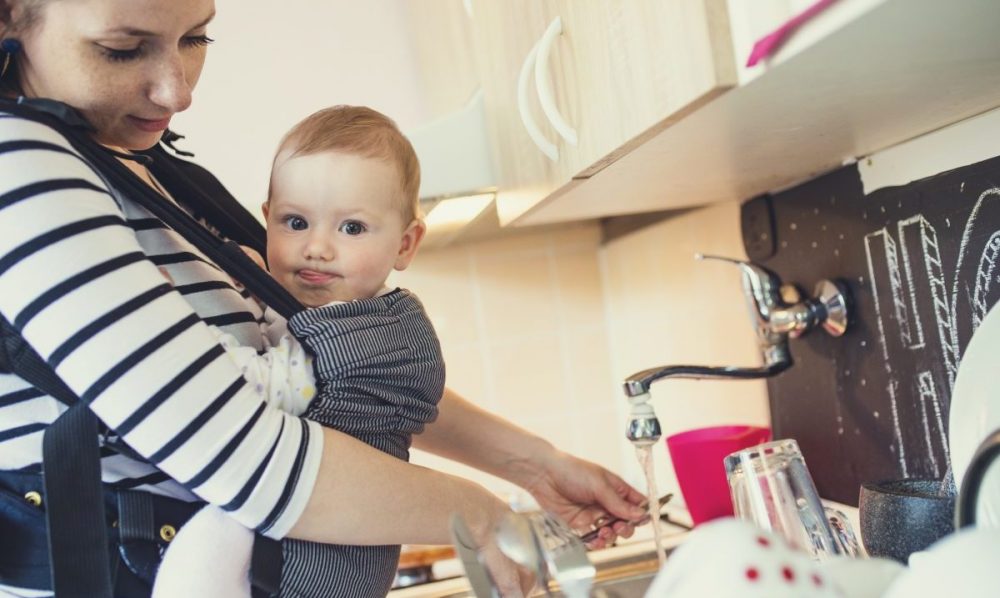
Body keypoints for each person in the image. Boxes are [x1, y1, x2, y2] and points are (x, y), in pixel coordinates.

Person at [0, 1, 647, 596]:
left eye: (196, 37)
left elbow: (323, 373)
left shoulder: (138, 168)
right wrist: (480, 515)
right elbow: (243, 456)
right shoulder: (19, 165)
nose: (179, 90)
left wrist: (534, 465)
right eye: (122, 49)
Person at [154, 104, 447, 598]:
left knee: (210, 535)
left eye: (351, 228)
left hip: (326, 554)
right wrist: (251, 287)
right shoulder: (332, 311)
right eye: (294, 222)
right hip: (335, 533)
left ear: (405, 244)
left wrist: (171, 323)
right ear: (265, 219)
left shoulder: (372, 335)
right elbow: (285, 336)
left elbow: (259, 390)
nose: (316, 247)